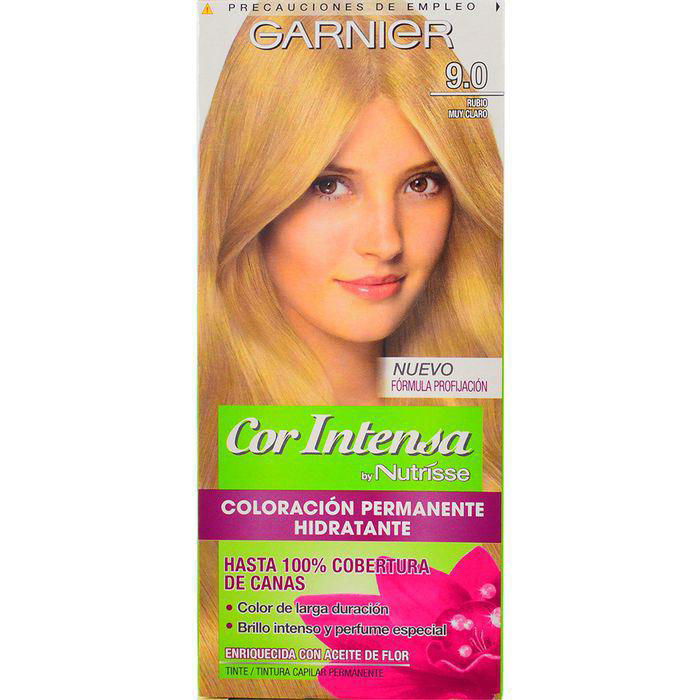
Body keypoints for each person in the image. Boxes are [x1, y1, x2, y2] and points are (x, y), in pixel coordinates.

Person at [198, 15, 502, 697]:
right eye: (330, 184)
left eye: (422, 183)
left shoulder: (494, 435)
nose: (385, 241)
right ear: (250, 195)